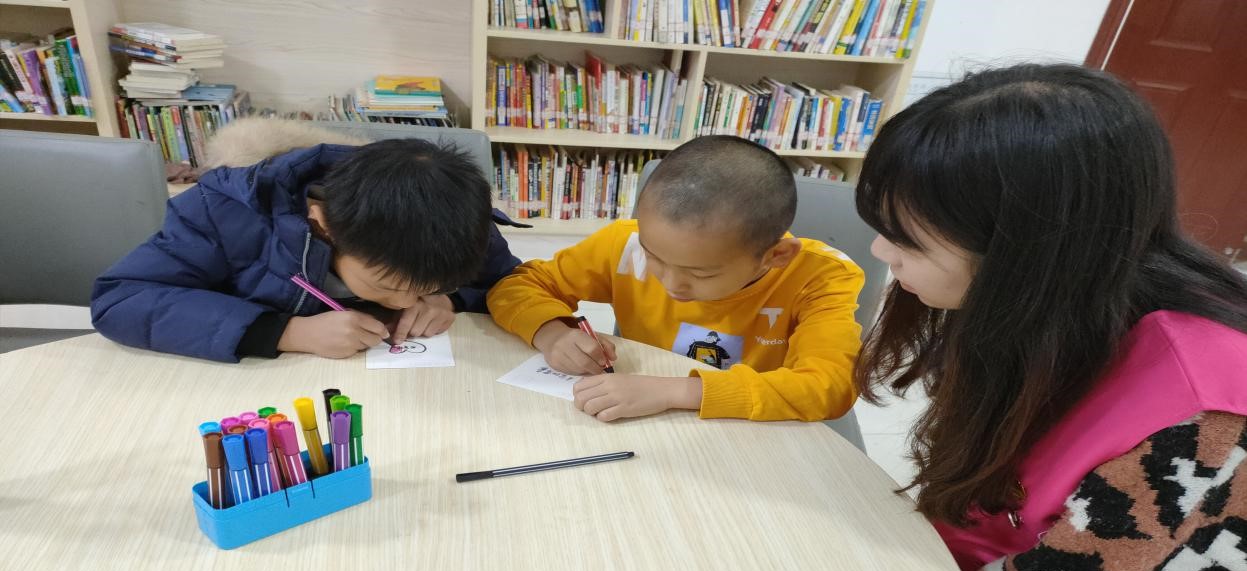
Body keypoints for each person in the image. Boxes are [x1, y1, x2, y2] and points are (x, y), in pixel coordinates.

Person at [853, 63, 1247, 571]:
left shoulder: (1211, 424)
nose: (879, 250)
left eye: (908, 237)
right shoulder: (1048, 311)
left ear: (1028, 248)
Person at [487, 135, 864, 422]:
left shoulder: (820, 277)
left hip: (746, 426)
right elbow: (515, 285)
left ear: (775, 256)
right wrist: (552, 333)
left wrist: (676, 392)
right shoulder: (626, 244)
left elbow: (831, 386)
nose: (670, 283)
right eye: (653, 257)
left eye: (701, 273)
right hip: (640, 415)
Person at [91, 133, 521, 362]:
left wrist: (450, 298)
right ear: (324, 225)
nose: (407, 302)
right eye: (387, 287)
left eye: (425, 287)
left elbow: (508, 284)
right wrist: (285, 333)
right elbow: (122, 300)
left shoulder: (460, 224)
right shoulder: (226, 210)